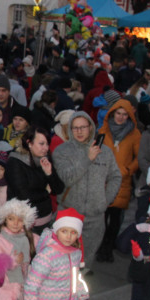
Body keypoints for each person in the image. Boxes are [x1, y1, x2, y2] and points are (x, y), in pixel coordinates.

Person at [52, 111, 121, 269]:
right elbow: (67, 178)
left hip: (95, 217)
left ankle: (80, 290)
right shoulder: (62, 151)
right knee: (63, 263)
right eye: (75, 128)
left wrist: (105, 200)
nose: (79, 131)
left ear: (91, 127)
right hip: (69, 215)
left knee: (85, 263)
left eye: (83, 127)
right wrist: (88, 158)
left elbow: (115, 177)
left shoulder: (106, 152)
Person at [98, 98, 141, 262]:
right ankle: (100, 247)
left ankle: (108, 248)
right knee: (101, 218)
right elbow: (95, 151)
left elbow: (139, 158)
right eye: (118, 113)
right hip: (103, 180)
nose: (121, 117)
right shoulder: (103, 131)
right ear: (112, 113)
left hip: (122, 181)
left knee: (115, 219)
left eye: (124, 114)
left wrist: (128, 170)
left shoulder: (135, 134)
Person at [5, 127, 64, 233]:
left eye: (47, 144)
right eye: (41, 144)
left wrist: (49, 174)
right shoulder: (15, 161)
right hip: (22, 223)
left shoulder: (45, 158)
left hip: (46, 220)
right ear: (29, 143)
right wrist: (45, 192)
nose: (45, 148)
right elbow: (23, 196)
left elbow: (58, 189)